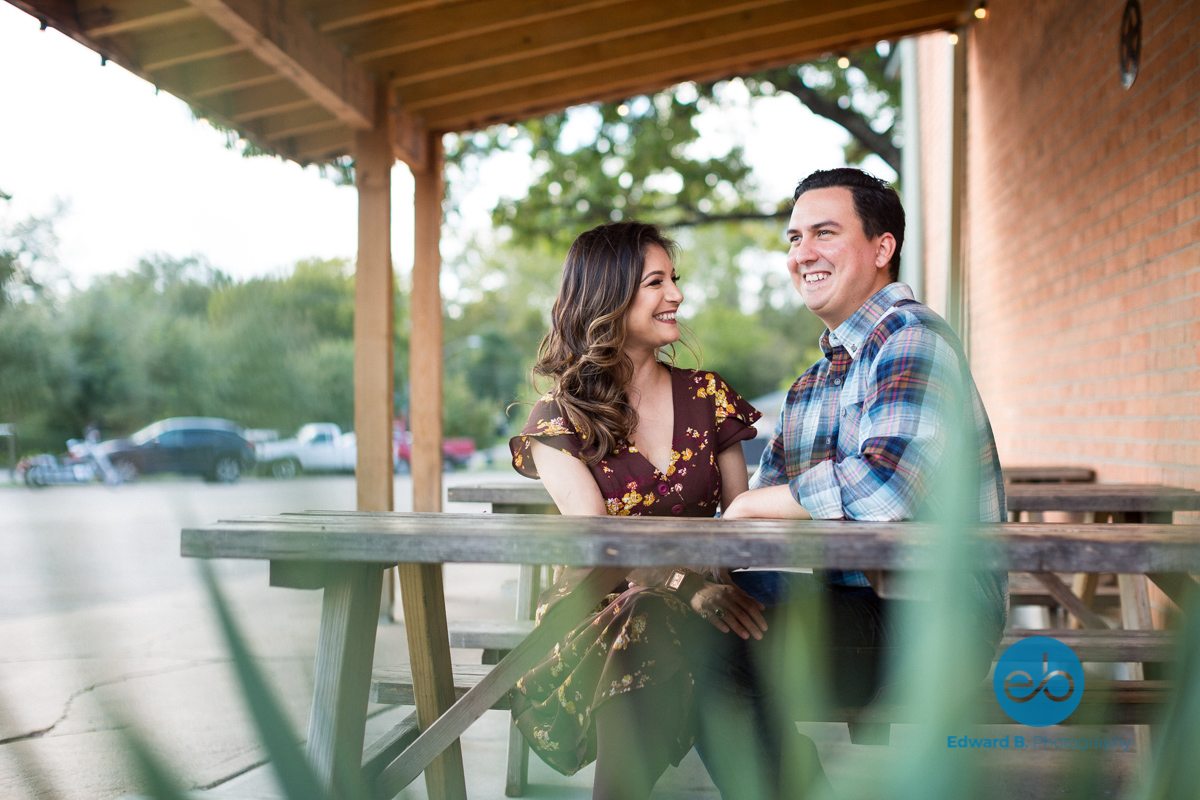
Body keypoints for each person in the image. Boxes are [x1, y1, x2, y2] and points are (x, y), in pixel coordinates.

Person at [697, 168, 1008, 797]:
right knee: (679, 631)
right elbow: (761, 524)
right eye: (793, 238)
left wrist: (753, 505)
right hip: (847, 603)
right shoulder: (813, 383)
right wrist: (712, 576)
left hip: (933, 621)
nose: (802, 253)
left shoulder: (911, 338)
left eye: (824, 233)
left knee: (704, 657)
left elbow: (885, 490)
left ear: (881, 247)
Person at [507, 220, 767, 800]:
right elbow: (601, 546)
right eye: (656, 282)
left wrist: (696, 586)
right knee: (649, 615)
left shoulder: (709, 397)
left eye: (674, 279)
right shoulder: (558, 421)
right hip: (597, 611)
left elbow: (739, 523)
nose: (676, 295)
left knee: (705, 634)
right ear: (609, 294)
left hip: (702, 605)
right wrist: (684, 583)